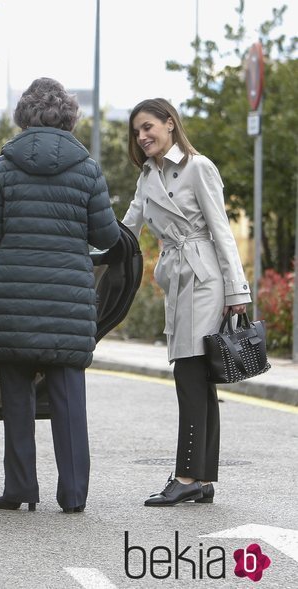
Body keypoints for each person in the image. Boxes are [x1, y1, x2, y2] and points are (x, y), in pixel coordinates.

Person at [0, 77, 120, 514]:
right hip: (67, 302)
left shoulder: (3, 168)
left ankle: (19, 489)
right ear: (70, 117)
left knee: (16, 399)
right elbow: (107, 237)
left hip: (15, 298)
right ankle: (73, 494)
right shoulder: (87, 169)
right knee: (68, 401)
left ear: (24, 116)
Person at [122, 98, 250, 507]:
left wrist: (237, 291)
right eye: (137, 131)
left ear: (170, 124)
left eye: (148, 127)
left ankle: (187, 475)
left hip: (203, 276)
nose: (142, 137)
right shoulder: (147, 176)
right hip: (177, 278)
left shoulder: (199, 167)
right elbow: (126, 229)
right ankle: (202, 478)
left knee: (191, 374)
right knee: (196, 375)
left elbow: (221, 232)